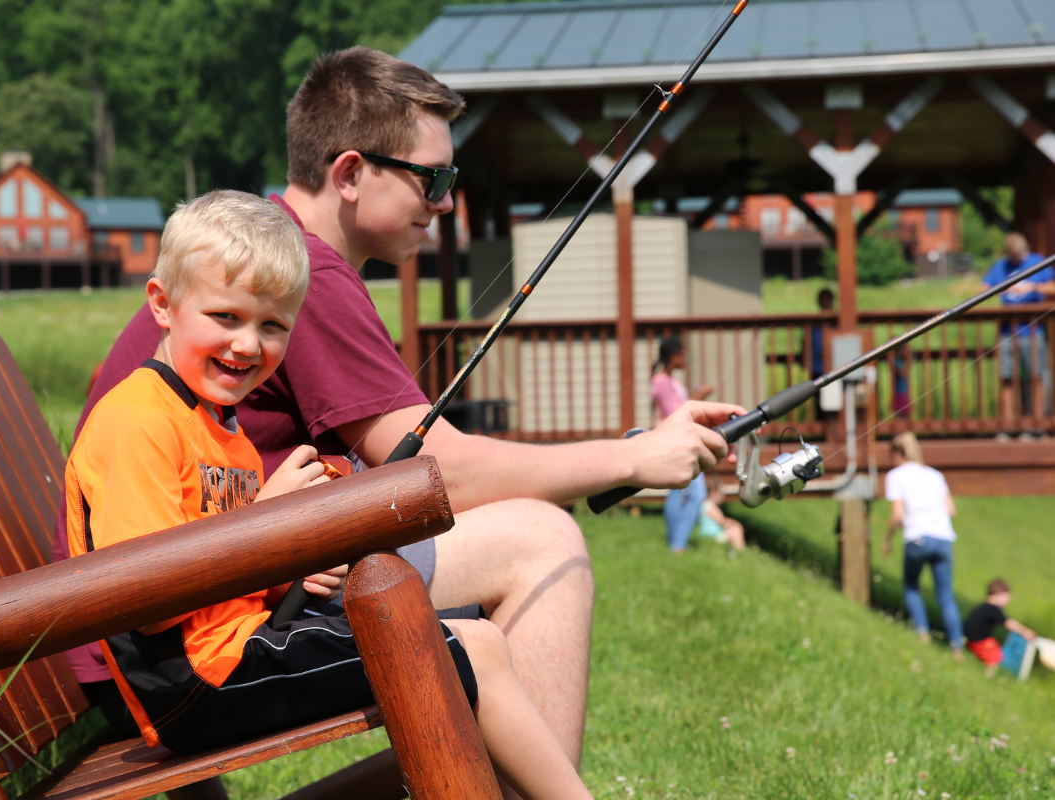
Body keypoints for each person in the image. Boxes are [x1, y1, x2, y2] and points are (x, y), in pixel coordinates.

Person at [54, 46, 745, 793]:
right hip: (184, 647)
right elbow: (445, 475)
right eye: (434, 179)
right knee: (541, 539)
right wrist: (632, 460)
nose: (445, 203)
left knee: (468, 655)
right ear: (350, 173)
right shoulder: (295, 275)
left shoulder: (269, 273)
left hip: (223, 608)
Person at [67, 189, 595, 799]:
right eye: (226, 317)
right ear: (163, 304)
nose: (247, 344)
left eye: (273, 326)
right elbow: (148, 598)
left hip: (231, 656)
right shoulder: (139, 419)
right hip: (198, 680)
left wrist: (298, 553)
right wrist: (269, 527)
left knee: (452, 643)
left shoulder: (220, 424)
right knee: (469, 646)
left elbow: (225, 570)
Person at [880, 432, 963, 658]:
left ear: (897, 454)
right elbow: (951, 510)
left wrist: (887, 539)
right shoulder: (935, 475)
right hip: (943, 538)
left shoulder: (896, 476)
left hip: (917, 538)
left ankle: (923, 634)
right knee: (946, 596)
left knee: (911, 587)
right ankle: (957, 647)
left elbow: (897, 515)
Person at [982, 232, 1055, 434]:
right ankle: (1007, 426)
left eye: (1020, 254)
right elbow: (982, 288)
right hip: (1007, 331)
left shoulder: (1037, 262)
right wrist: (1002, 289)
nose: (1018, 258)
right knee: (1007, 377)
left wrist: (1032, 286)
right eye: (1014, 255)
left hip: (1033, 331)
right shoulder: (1001, 266)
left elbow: (1052, 286)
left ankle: (1036, 426)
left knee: (1036, 376)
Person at [650, 337, 714, 552]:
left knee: (679, 492)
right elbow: (673, 415)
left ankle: (676, 543)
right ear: (673, 356)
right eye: (682, 355)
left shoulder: (671, 381)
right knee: (695, 494)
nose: (685, 360)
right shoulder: (660, 381)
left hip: (682, 438)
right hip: (673, 441)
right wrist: (698, 396)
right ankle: (678, 544)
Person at [964, 578, 1037, 677]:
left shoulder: (982, 606)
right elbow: (1009, 623)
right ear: (999, 593)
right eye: (1006, 597)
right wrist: (1025, 631)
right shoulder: (993, 608)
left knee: (991, 645)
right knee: (994, 655)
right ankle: (988, 676)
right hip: (980, 641)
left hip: (969, 639)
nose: (1008, 602)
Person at [693, 479, 746, 552]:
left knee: (734, 529)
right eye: (721, 493)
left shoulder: (705, 504)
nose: (723, 497)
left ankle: (738, 551)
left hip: (713, 535)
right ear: (713, 493)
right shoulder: (710, 506)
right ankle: (741, 551)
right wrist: (736, 524)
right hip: (712, 535)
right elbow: (722, 520)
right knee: (736, 530)